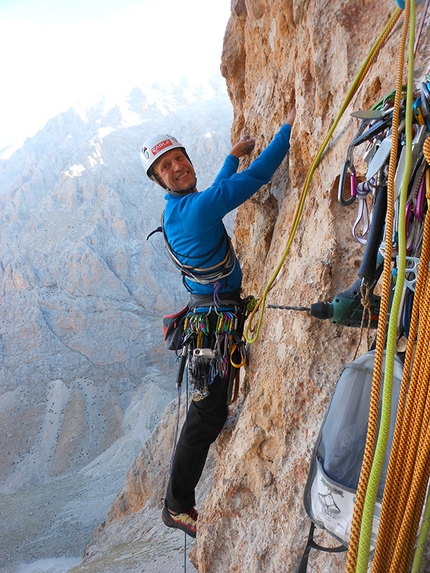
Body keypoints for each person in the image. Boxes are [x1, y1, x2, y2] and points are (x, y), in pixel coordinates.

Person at [140, 108, 296, 538]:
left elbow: (214, 193)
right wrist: (288, 129)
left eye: (178, 158)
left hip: (209, 313)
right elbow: (252, 181)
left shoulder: (180, 207)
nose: (176, 167)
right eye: (165, 167)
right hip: (214, 319)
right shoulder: (192, 211)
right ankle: (176, 505)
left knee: (210, 406)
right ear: (158, 180)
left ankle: (176, 497)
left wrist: (230, 156)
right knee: (205, 415)